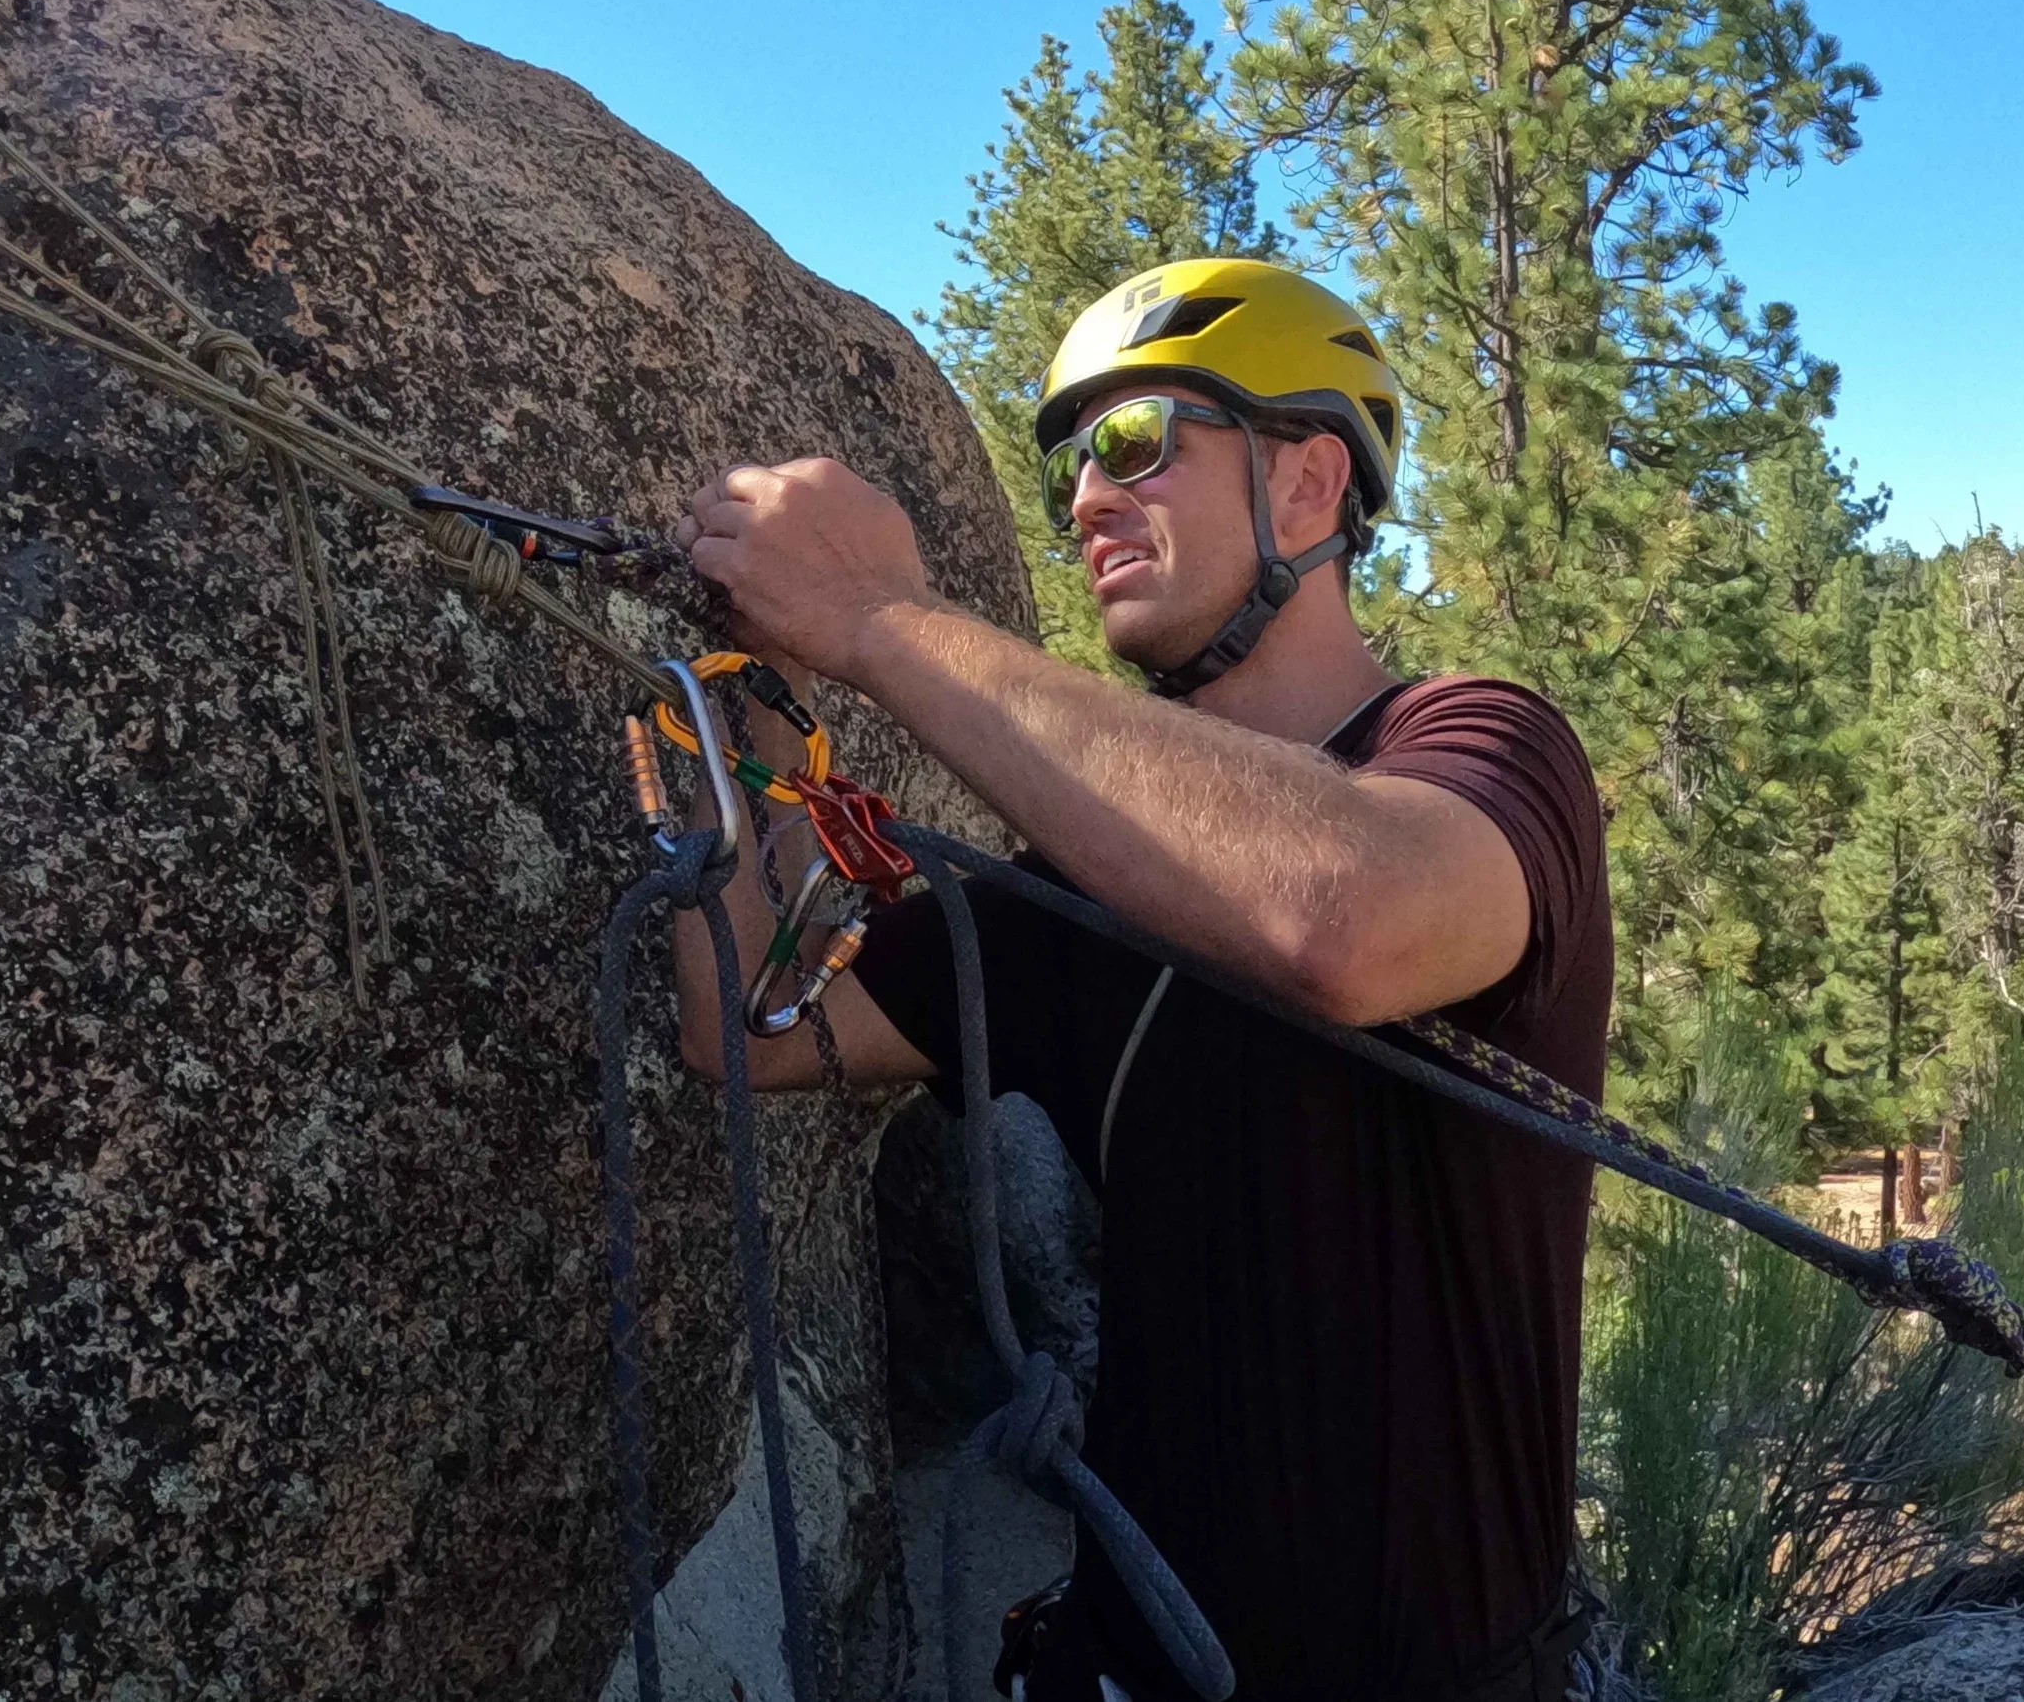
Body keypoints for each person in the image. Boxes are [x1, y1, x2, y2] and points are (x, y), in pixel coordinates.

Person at [669, 258, 1612, 1702]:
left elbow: (1341, 917)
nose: (1087, 499)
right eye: (1076, 465)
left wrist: (878, 621)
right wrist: (732, 692)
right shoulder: (1078, 893)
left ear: (1307, 488)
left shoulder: (1486, 752)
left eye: (1136, 442)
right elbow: (754, 1028)